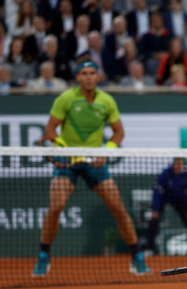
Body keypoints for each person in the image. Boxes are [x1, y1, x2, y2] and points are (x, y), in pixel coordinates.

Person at [32, 60, 151, 277]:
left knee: (119, 209)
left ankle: (137, 257)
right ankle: (43, 255)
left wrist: (106, 151)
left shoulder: (106, 101)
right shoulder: (66, 98)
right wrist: (67, 151)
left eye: (92, 73)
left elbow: (118, 132)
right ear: (78, 77)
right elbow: (50, 129)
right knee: (56, 206)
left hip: (95, 162)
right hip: (68, 161)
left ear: (98, 77)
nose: (88, 77)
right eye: (84, 73)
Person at [144, 157, 187, 255]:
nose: (179, 166)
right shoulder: (165, 174)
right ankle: (149, 249)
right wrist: (155, 209)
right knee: (154, 221)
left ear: (184, 165)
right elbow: (158, 193)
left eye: (181, 164)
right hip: (164, 198)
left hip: (179, 199)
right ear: (173, 164)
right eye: (177, 163)